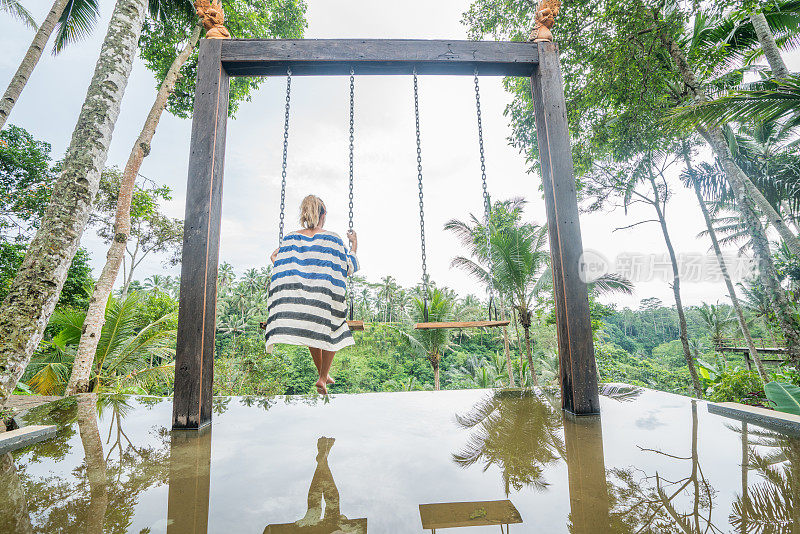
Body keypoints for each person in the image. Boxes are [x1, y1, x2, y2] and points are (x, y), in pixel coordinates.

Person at [266, 195, 359, 394]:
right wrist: (354, 245)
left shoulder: (290, 237)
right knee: (333, 328)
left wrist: (280, 262)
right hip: (324, 299)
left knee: (311, 327)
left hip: (300, 303)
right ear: (323, 214)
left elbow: (277, 260)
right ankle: (323, 377)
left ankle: (323, 375)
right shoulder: (333, 238)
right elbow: (349, 267)